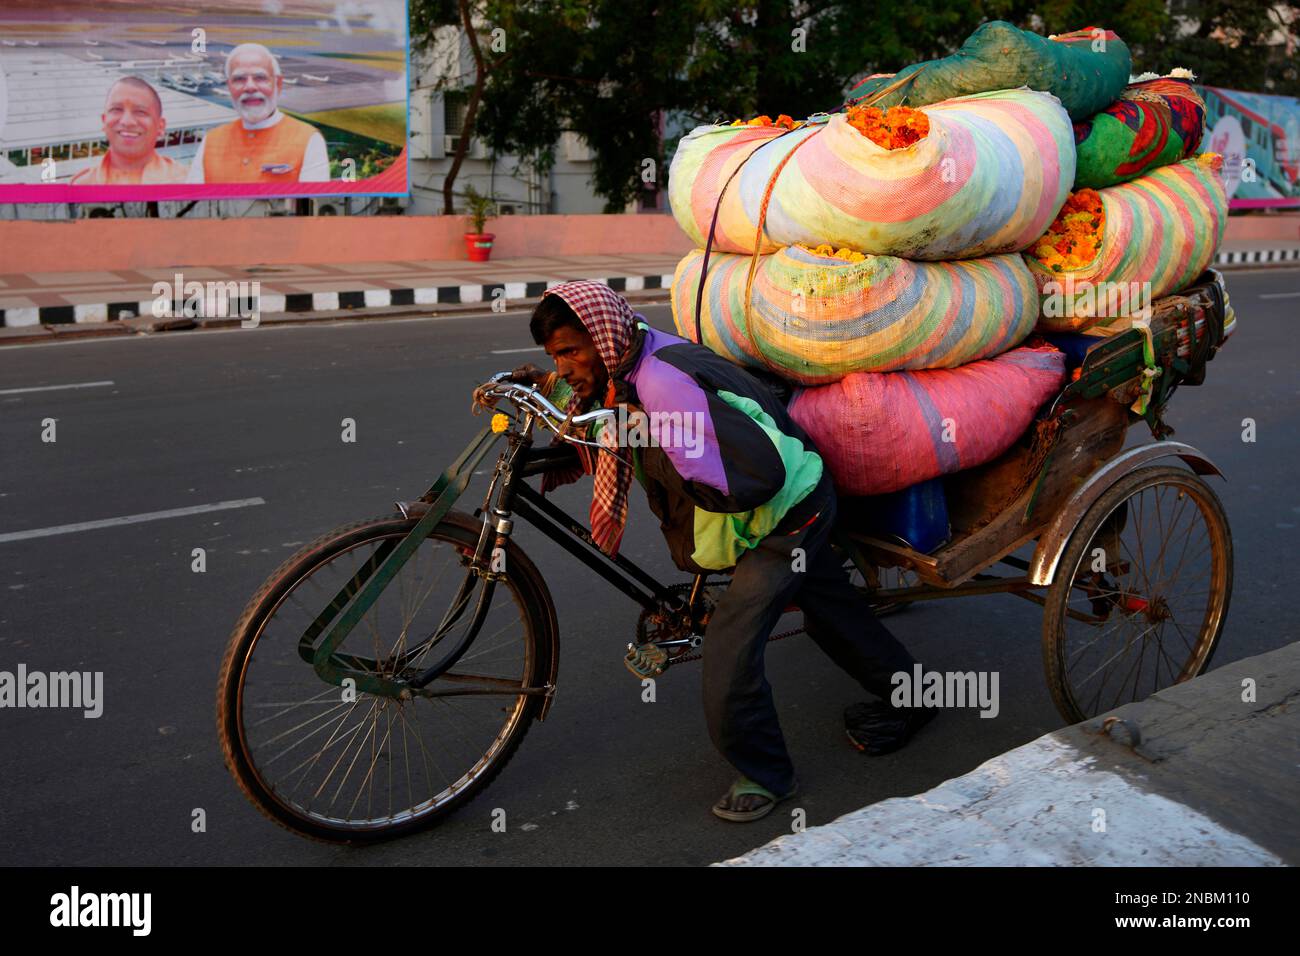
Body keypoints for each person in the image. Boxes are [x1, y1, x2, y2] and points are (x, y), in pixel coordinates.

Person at [512, 281, 934, 823]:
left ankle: (766, 774)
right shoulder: (638, 350)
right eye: (555, 356)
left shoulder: (662, 385)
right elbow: (606, 391)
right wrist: (550, 382)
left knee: (730, 643)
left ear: (601, 336)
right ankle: (915, 695)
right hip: (794, 486)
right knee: (828, 607)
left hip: (786, 511)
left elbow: (745, 485)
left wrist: (657, 444)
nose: (566, 367)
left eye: (570, 352)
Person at [186, 43, 328, 183]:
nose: (250, 87)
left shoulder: (308, 139)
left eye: (260, 78)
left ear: (278, 84)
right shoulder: (211, 142)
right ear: (229, 87)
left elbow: (311, 204)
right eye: (239, 79)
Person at [70, 77, 188, 185]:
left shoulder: (186, 181)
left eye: (140, 112)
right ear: (104, 121)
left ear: (160, 126)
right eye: (116, 109)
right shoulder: (81, 185)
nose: (127, 121)